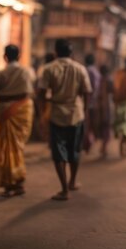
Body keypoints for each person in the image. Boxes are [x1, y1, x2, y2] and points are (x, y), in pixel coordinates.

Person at [38, 39, 92, 201]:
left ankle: (63, 189)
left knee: (58, 152)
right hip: (76, 114)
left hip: (57, 114)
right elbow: (87, 92)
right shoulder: (80, 69)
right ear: (71, 53)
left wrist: (42, 113)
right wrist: (85, 110)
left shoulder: (48, 69)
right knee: (75, 150)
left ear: (55, 52)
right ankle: (72, 182)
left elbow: (41, 93)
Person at [0, 45, 34, 197]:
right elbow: (29, 93)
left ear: (5, 57)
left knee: (7, 148)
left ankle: (9, 183)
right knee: (18, 147)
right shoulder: (26, 72)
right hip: (22, 111)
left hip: (5, 111)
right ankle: (19, 182)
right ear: (20, 56)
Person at [92, 65, 113, 158]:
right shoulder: (107, 80)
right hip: (105, 107)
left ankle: (103, 147)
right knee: (106, 127)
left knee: (103, 127)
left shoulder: (99, 80)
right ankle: (104, 147)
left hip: (100, 107)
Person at [83, 53, 101, 153]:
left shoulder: (86, 71)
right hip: (94, 102)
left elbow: (88, 89)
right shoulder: (96, 72)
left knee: (87, 125)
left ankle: (87, 144)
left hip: (87, 103)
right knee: (91, 124)